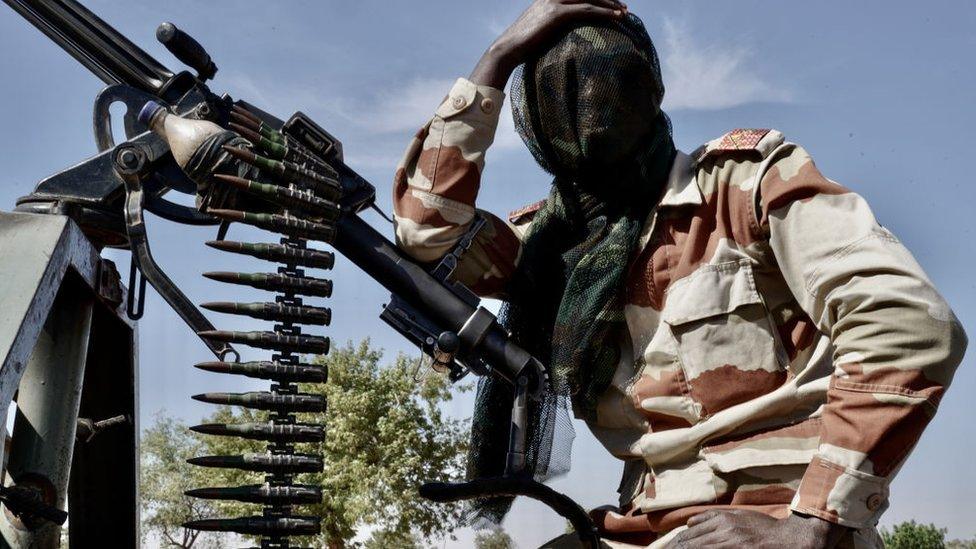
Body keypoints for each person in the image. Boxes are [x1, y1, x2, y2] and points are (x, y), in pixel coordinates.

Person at [391, 1, 967, 547]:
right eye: (556, 92)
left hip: (769, 522)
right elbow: (426, 235)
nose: (586, 110)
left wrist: (815, 521)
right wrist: (498, 57)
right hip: (641, 524)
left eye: (603, 84)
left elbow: (908, 322)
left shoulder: (745, 188)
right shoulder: (549, 248)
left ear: (647, 88)